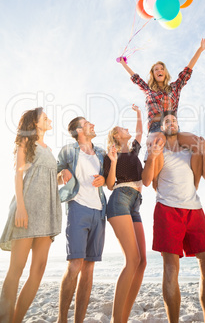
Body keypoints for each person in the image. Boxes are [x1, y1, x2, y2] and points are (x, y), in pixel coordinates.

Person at [142, 111, 205, 323]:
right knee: (171, 267)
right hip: (167, 210)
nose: (171, 122)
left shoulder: (190, 150)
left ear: (178, 125)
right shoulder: (159, 151)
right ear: (162, 128)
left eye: (174, 120)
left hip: (194, 209)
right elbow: (148, 181)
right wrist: (153, 156)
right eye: (167, 121)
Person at [0, 107, 62, 323]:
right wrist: (21, 208)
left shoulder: (49, 149)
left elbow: (48, 180)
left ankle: (16, 320)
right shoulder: (26, 143)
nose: (49, 119)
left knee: (39, 268)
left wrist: (62, 177)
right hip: (26, 210)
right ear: (35, 123)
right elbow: (18, 175)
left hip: (47, 213)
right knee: (16, 268)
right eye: (45, 117)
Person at [56, 117, 106, 323]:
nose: (92, 124)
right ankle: (62, 319)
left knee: (89, 268)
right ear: (78, 130)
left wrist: (104, 179)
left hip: (99, 211)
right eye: (87, 123)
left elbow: (108, 179)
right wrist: (62, 172)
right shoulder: (68, 151)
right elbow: (56, 175)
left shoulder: (101, 153)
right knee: (75, 264)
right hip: (77, 208)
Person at [119, 37, 205, 150]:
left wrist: (200, 49)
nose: (159, 71)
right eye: (156, 69)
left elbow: (187, 71)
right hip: (155, 128)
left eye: (161, 69)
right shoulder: (148, 90)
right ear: (153, 74)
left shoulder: (174, 88)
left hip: (172, 127)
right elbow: (135, 78)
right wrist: (123, 63)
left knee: (185, 153)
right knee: (157, 157)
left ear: (165, 73)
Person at [103, 105, 146, 323]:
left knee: (142, 262)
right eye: (122, 128)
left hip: (135, 204)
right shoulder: (111, 154)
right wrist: (111, 161)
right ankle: (116, 319)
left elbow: (139, 132)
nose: (126, 129)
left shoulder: (134, 150)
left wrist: (139, 113)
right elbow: (110, 185)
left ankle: (124, 317)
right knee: (132, 260)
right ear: (116, 136)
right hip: (119, 199)